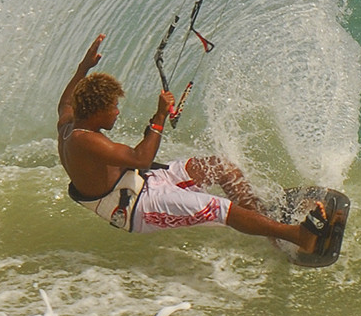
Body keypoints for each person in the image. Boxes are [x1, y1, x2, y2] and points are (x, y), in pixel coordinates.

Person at [57, 33, 329, 253]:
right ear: (95, 111)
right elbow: (140, 158)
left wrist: (84, 68)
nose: (117, 112)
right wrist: (160, 117)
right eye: (113, 107)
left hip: (143, 180)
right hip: (136, 206)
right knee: (219, 208)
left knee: (221, 167)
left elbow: (66, 100)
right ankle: (297, 236)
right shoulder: (86, 142)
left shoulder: (69, 122)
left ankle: (267, 228)